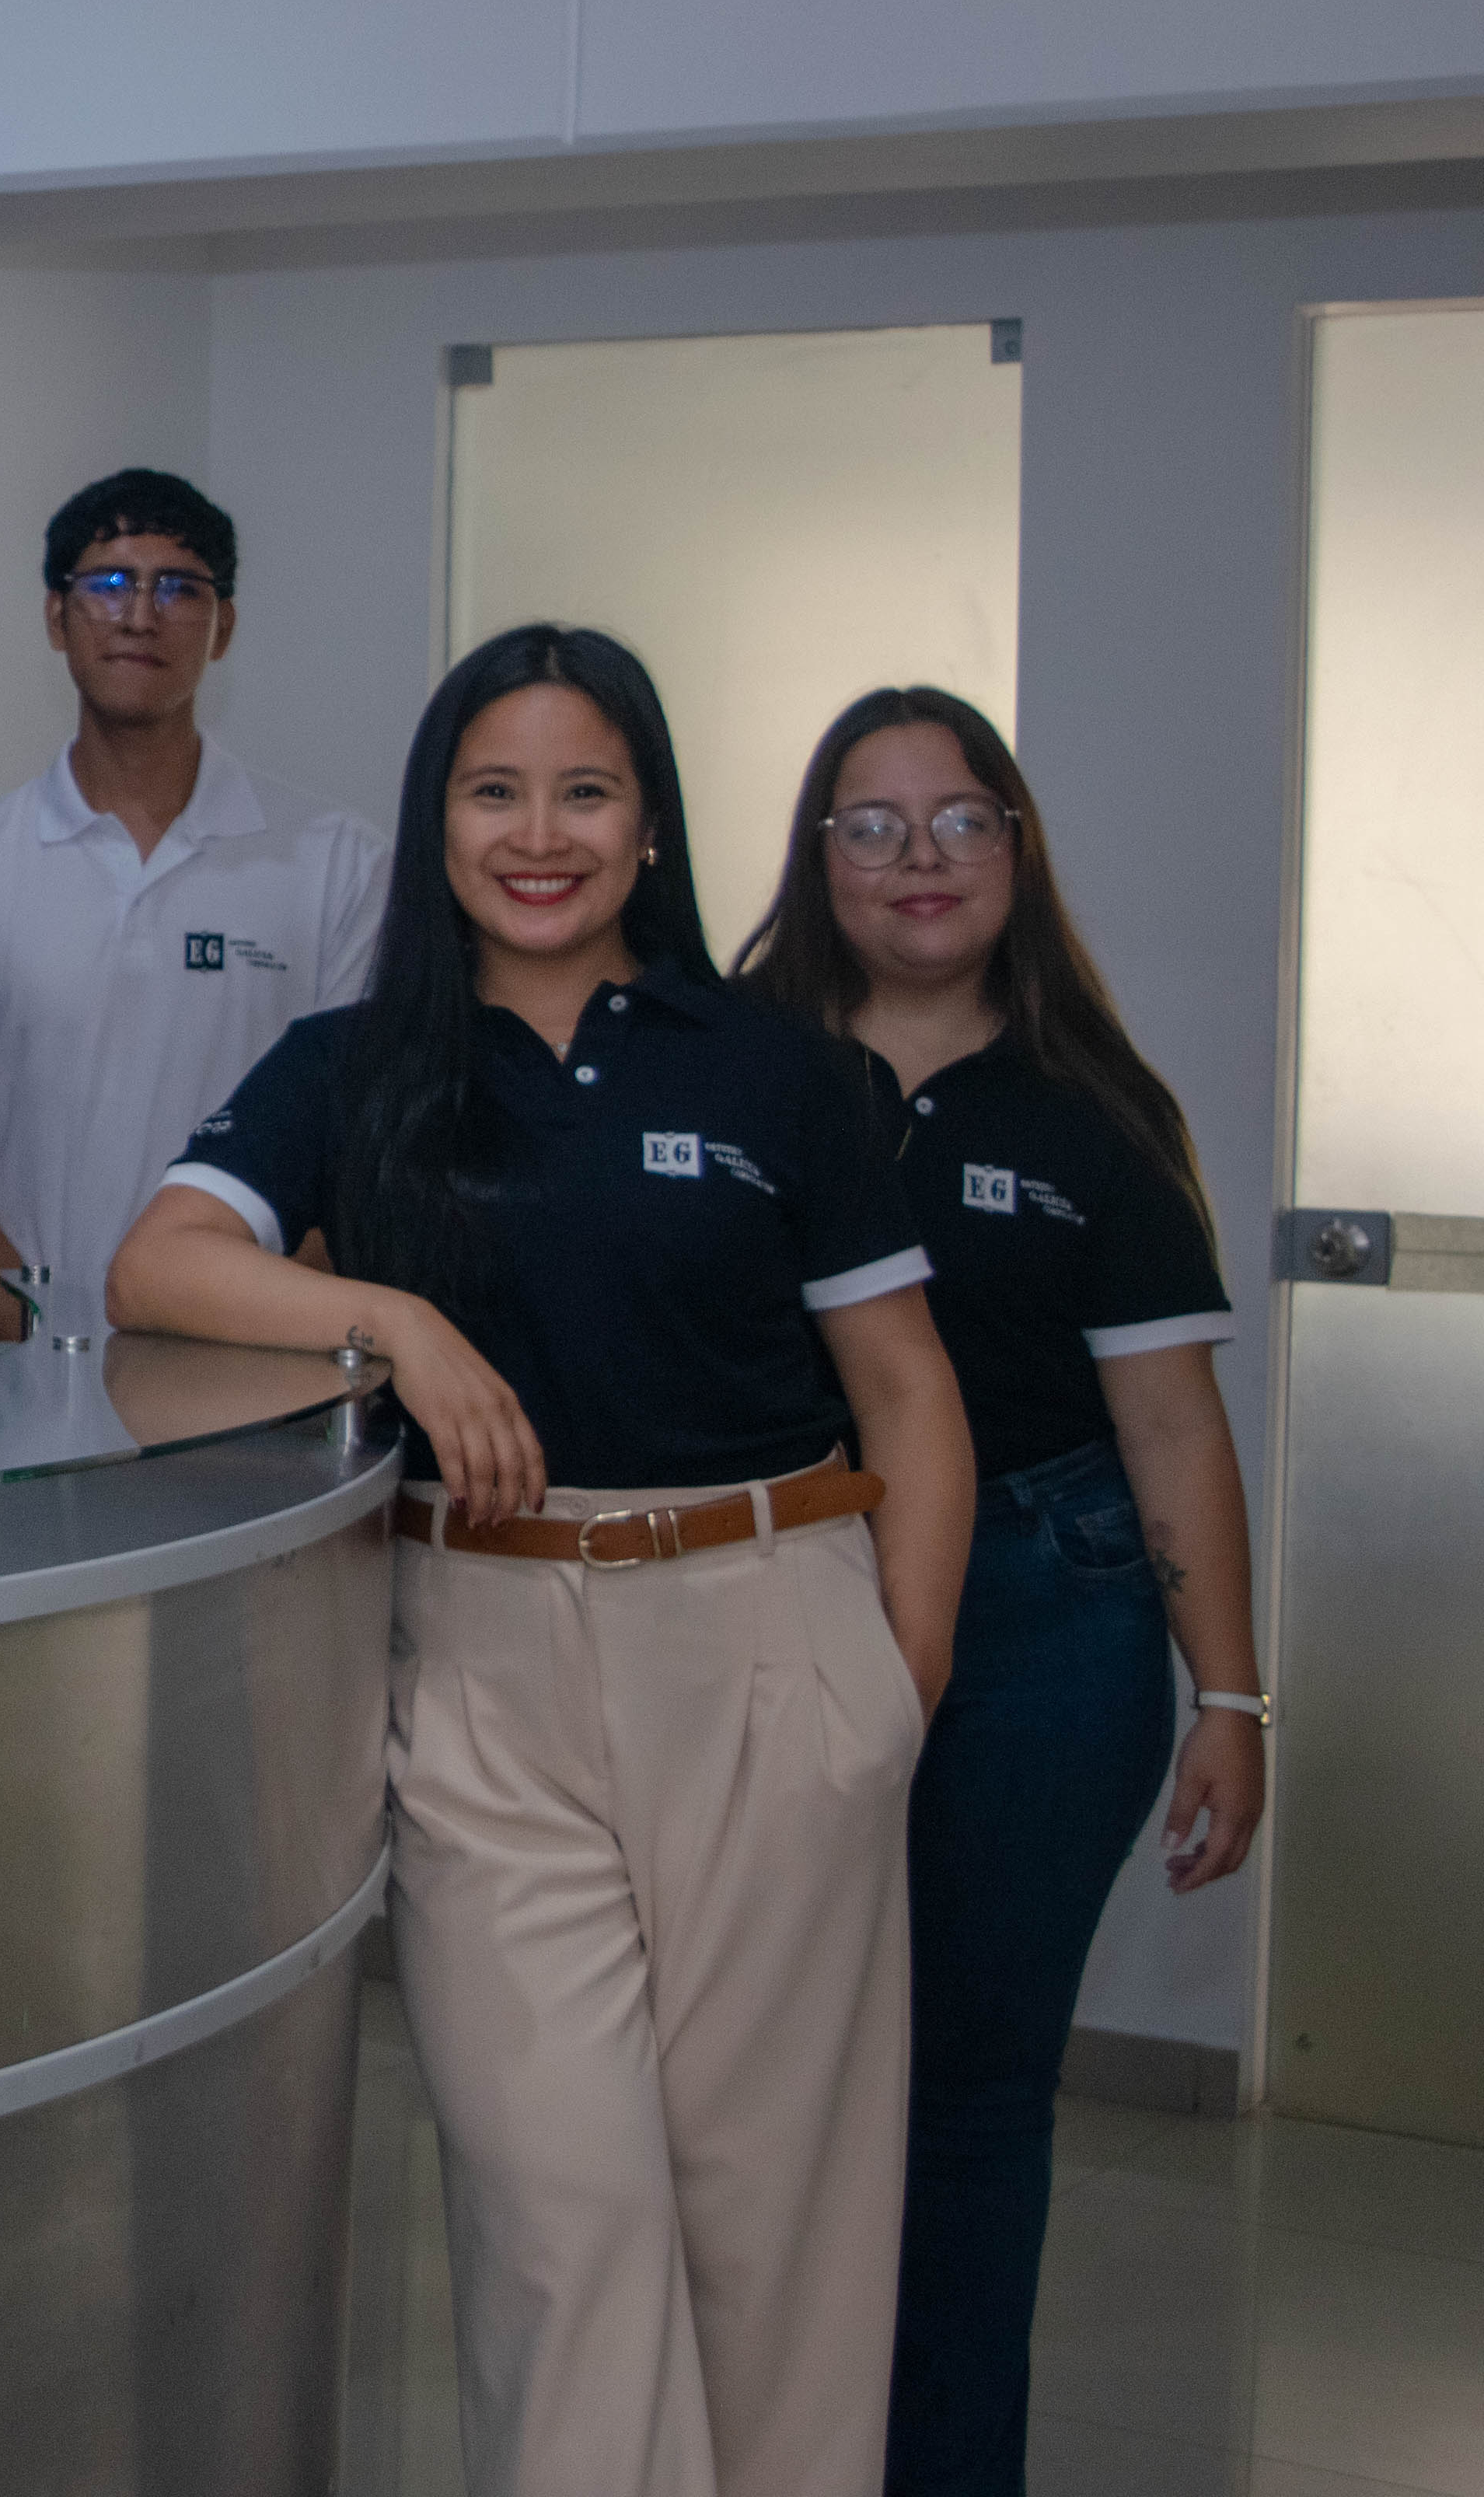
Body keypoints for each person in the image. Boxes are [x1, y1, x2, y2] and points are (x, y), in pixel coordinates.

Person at [107, 623, 974, 2497]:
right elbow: (159, 1263)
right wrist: (397, 1320)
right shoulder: (355, 1065)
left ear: (649, 821)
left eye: (586, 790)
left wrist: (893, 1694)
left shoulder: (783, 1073)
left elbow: (909, 1392)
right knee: (555, 2206)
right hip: (482, 1665)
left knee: (774, 2219)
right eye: (494, 790)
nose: (540, 834)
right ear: (438, 821)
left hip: (770, 1642)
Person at [734, 686, 1266, 2497]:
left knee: (965, 2100)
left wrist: (1231, 1695)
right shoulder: (728, 1067)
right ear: (817, 854)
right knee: (759, 2086)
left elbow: (1171, 1423)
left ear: (1017, 850)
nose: (921, 857)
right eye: (873, 822)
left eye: (962, 818)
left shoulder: (1093, 1108)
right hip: (775, 1591)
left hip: (1048, 1619)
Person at [0, 466, 383, 1374]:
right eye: (109, 582)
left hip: (248, 1380)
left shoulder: (339, 866)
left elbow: (351, 1165)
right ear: (56, 615)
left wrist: (224, 1354)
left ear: (224, 626)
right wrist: (57, 1351)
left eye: (179, 588)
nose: (140, 614)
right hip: (18, 1373)